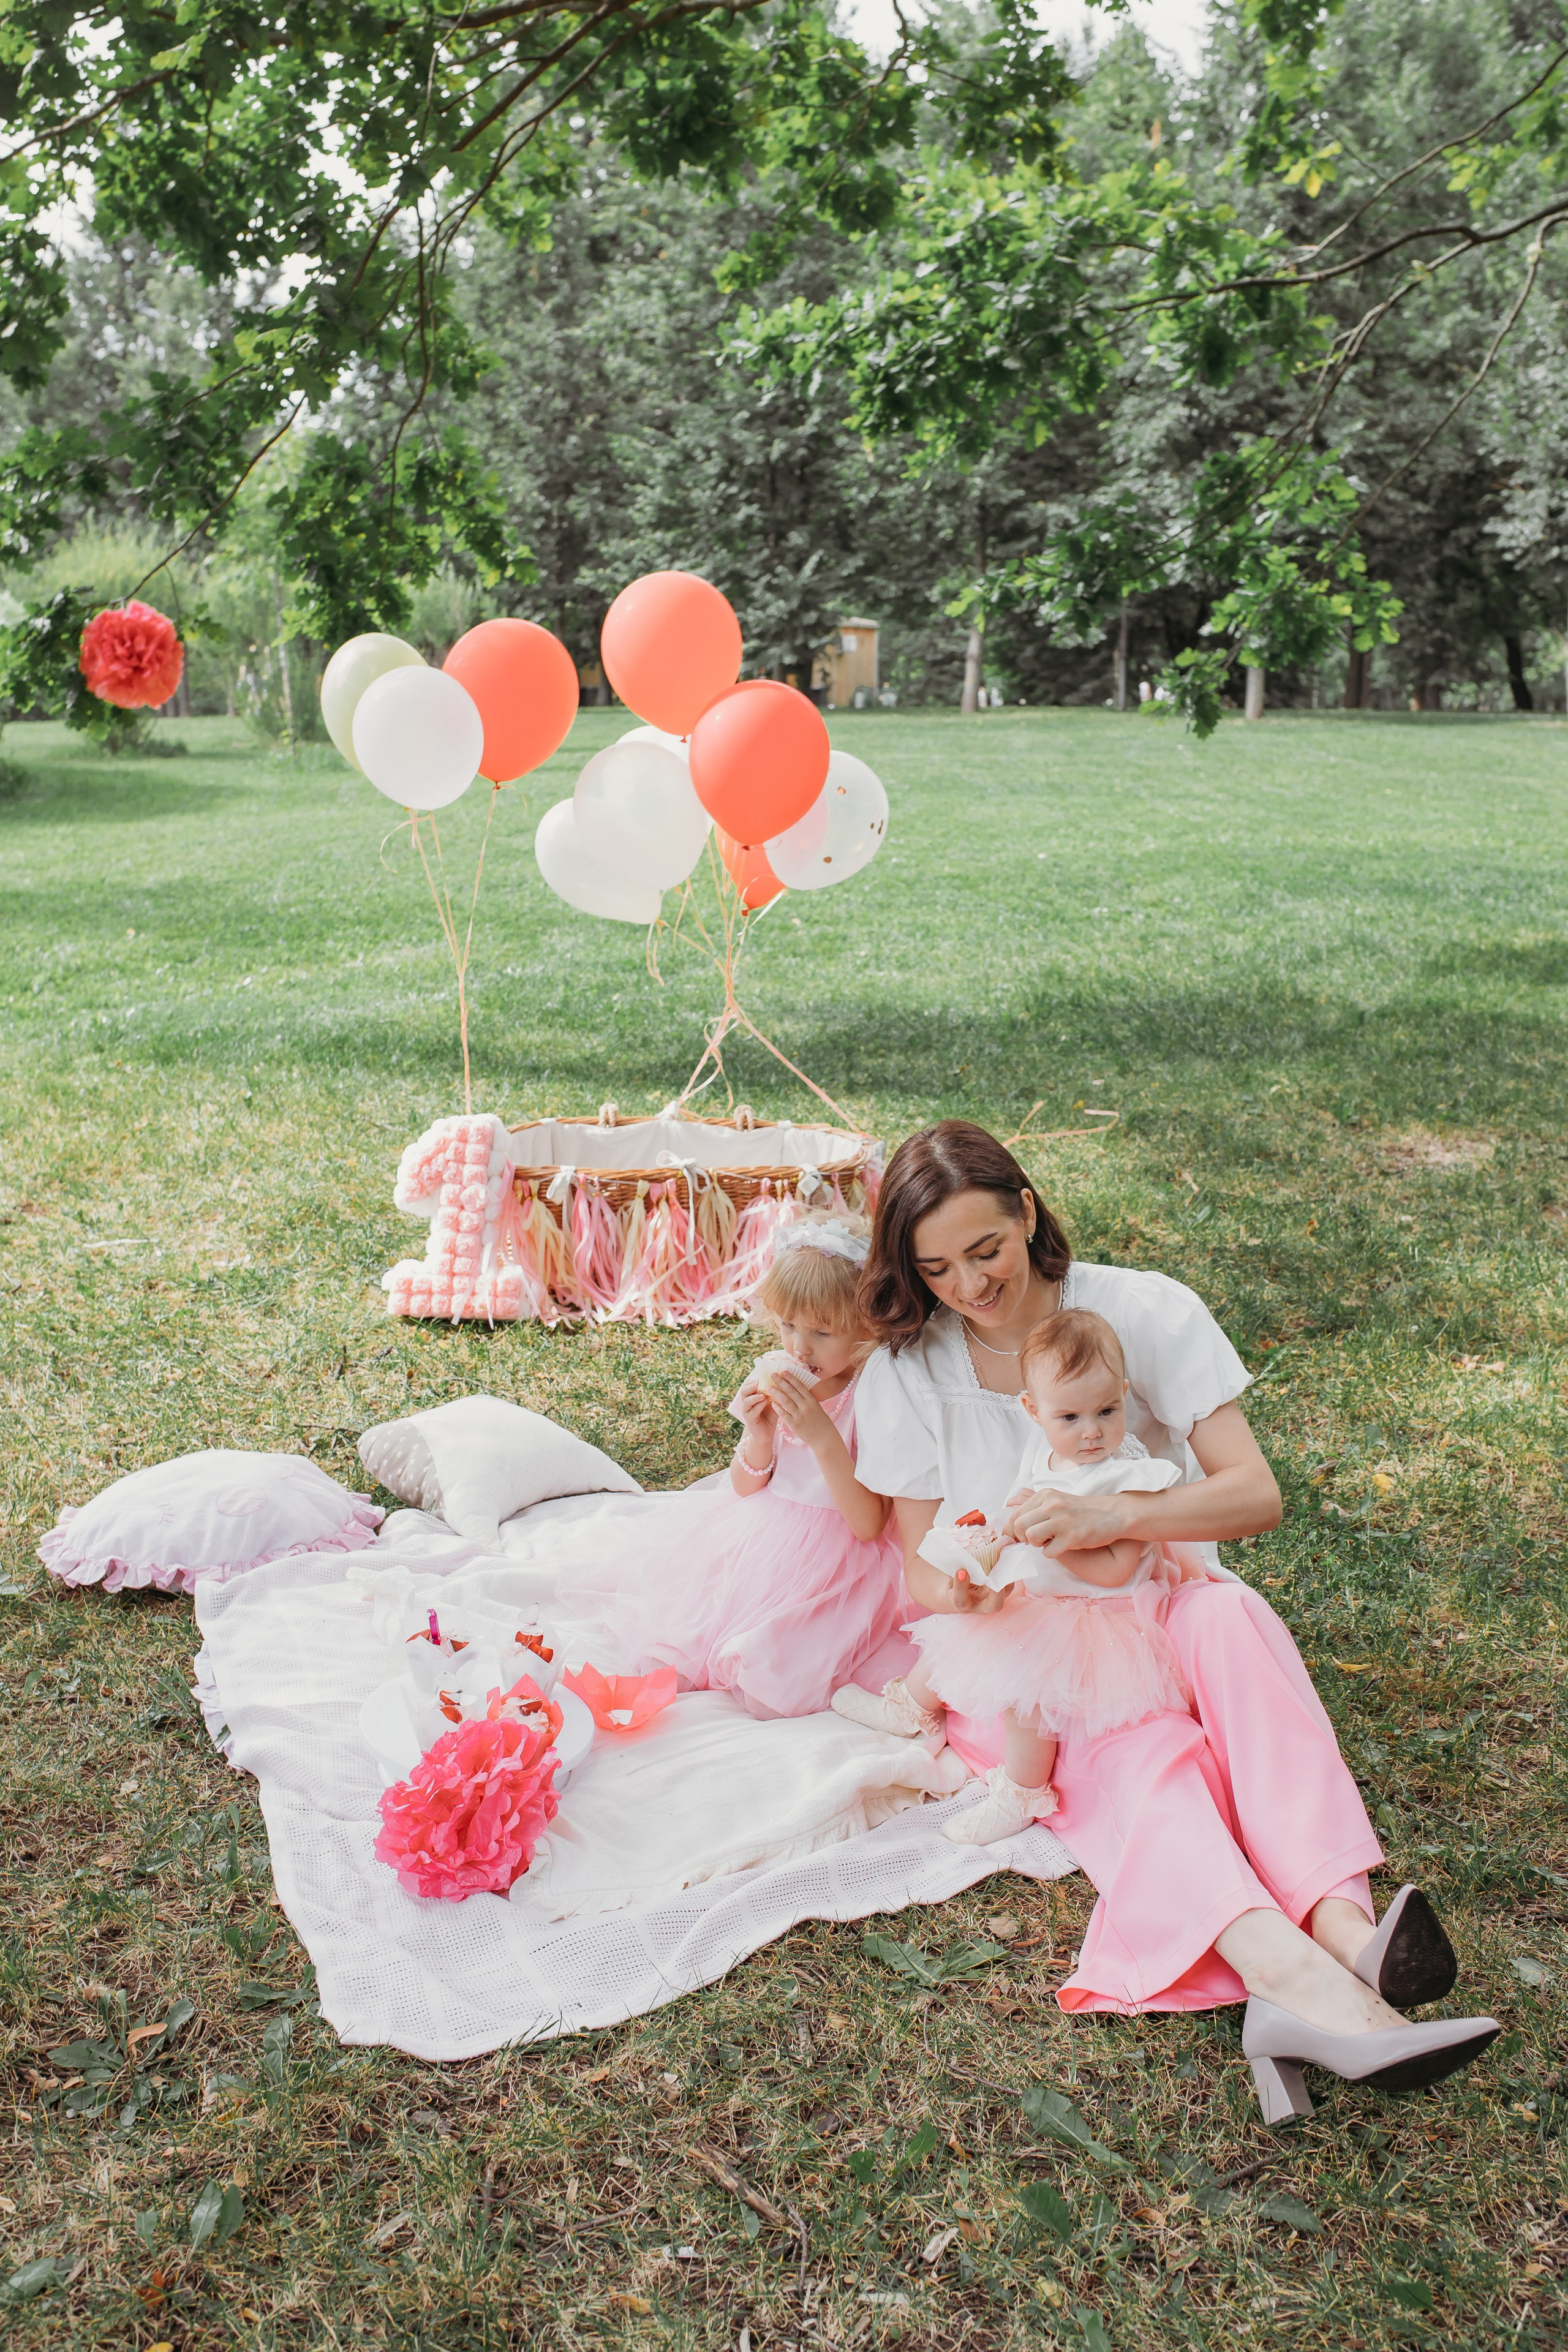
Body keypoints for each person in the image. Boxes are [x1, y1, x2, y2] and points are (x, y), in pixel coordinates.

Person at [849, 1120, 1498, 2124]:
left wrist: (1120, 1516)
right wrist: (971, 1592)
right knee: (1151, 1754)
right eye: (937, 1269)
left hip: (1160, 1594)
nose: (971, 1287)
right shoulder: (911, 1371)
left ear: (1027, 1213)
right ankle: (1307, 1990)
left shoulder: (1140, 1311)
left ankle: (1345, 1928)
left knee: (1233, 1621)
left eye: (986, 1251)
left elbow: (1254, 1494)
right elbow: (922, 1573)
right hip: (1025, 1654)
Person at [834, 1307, 1194, 1843]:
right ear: (1034, 1410)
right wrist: (994, 1541)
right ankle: (911, 1705)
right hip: (1043, 1594)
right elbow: (1015, 1518)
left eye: (1107, 1411)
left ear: (1124, 1393)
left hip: (1096, 1615)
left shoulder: (1134, 1479)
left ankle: (1022, 1790)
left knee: (1031, 1687)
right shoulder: (1045, 1458)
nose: (1092, 1432)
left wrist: (1052, 1541)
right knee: (965, 1629)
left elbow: (1119, 1569)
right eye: (1070, 1418)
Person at [564, 1211, 905, 1721]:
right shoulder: (778, 1372)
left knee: (770, 1680)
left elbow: (869, 1523)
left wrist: (821, 1435)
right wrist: (760, 1433)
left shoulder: (870, 1394)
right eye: (788, 1326)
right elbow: (747, 1487)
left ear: (864, 1327)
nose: (799, 1347)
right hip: (762, 1537)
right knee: (685, 1633)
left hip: (838, 1557)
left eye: (822, 1332)